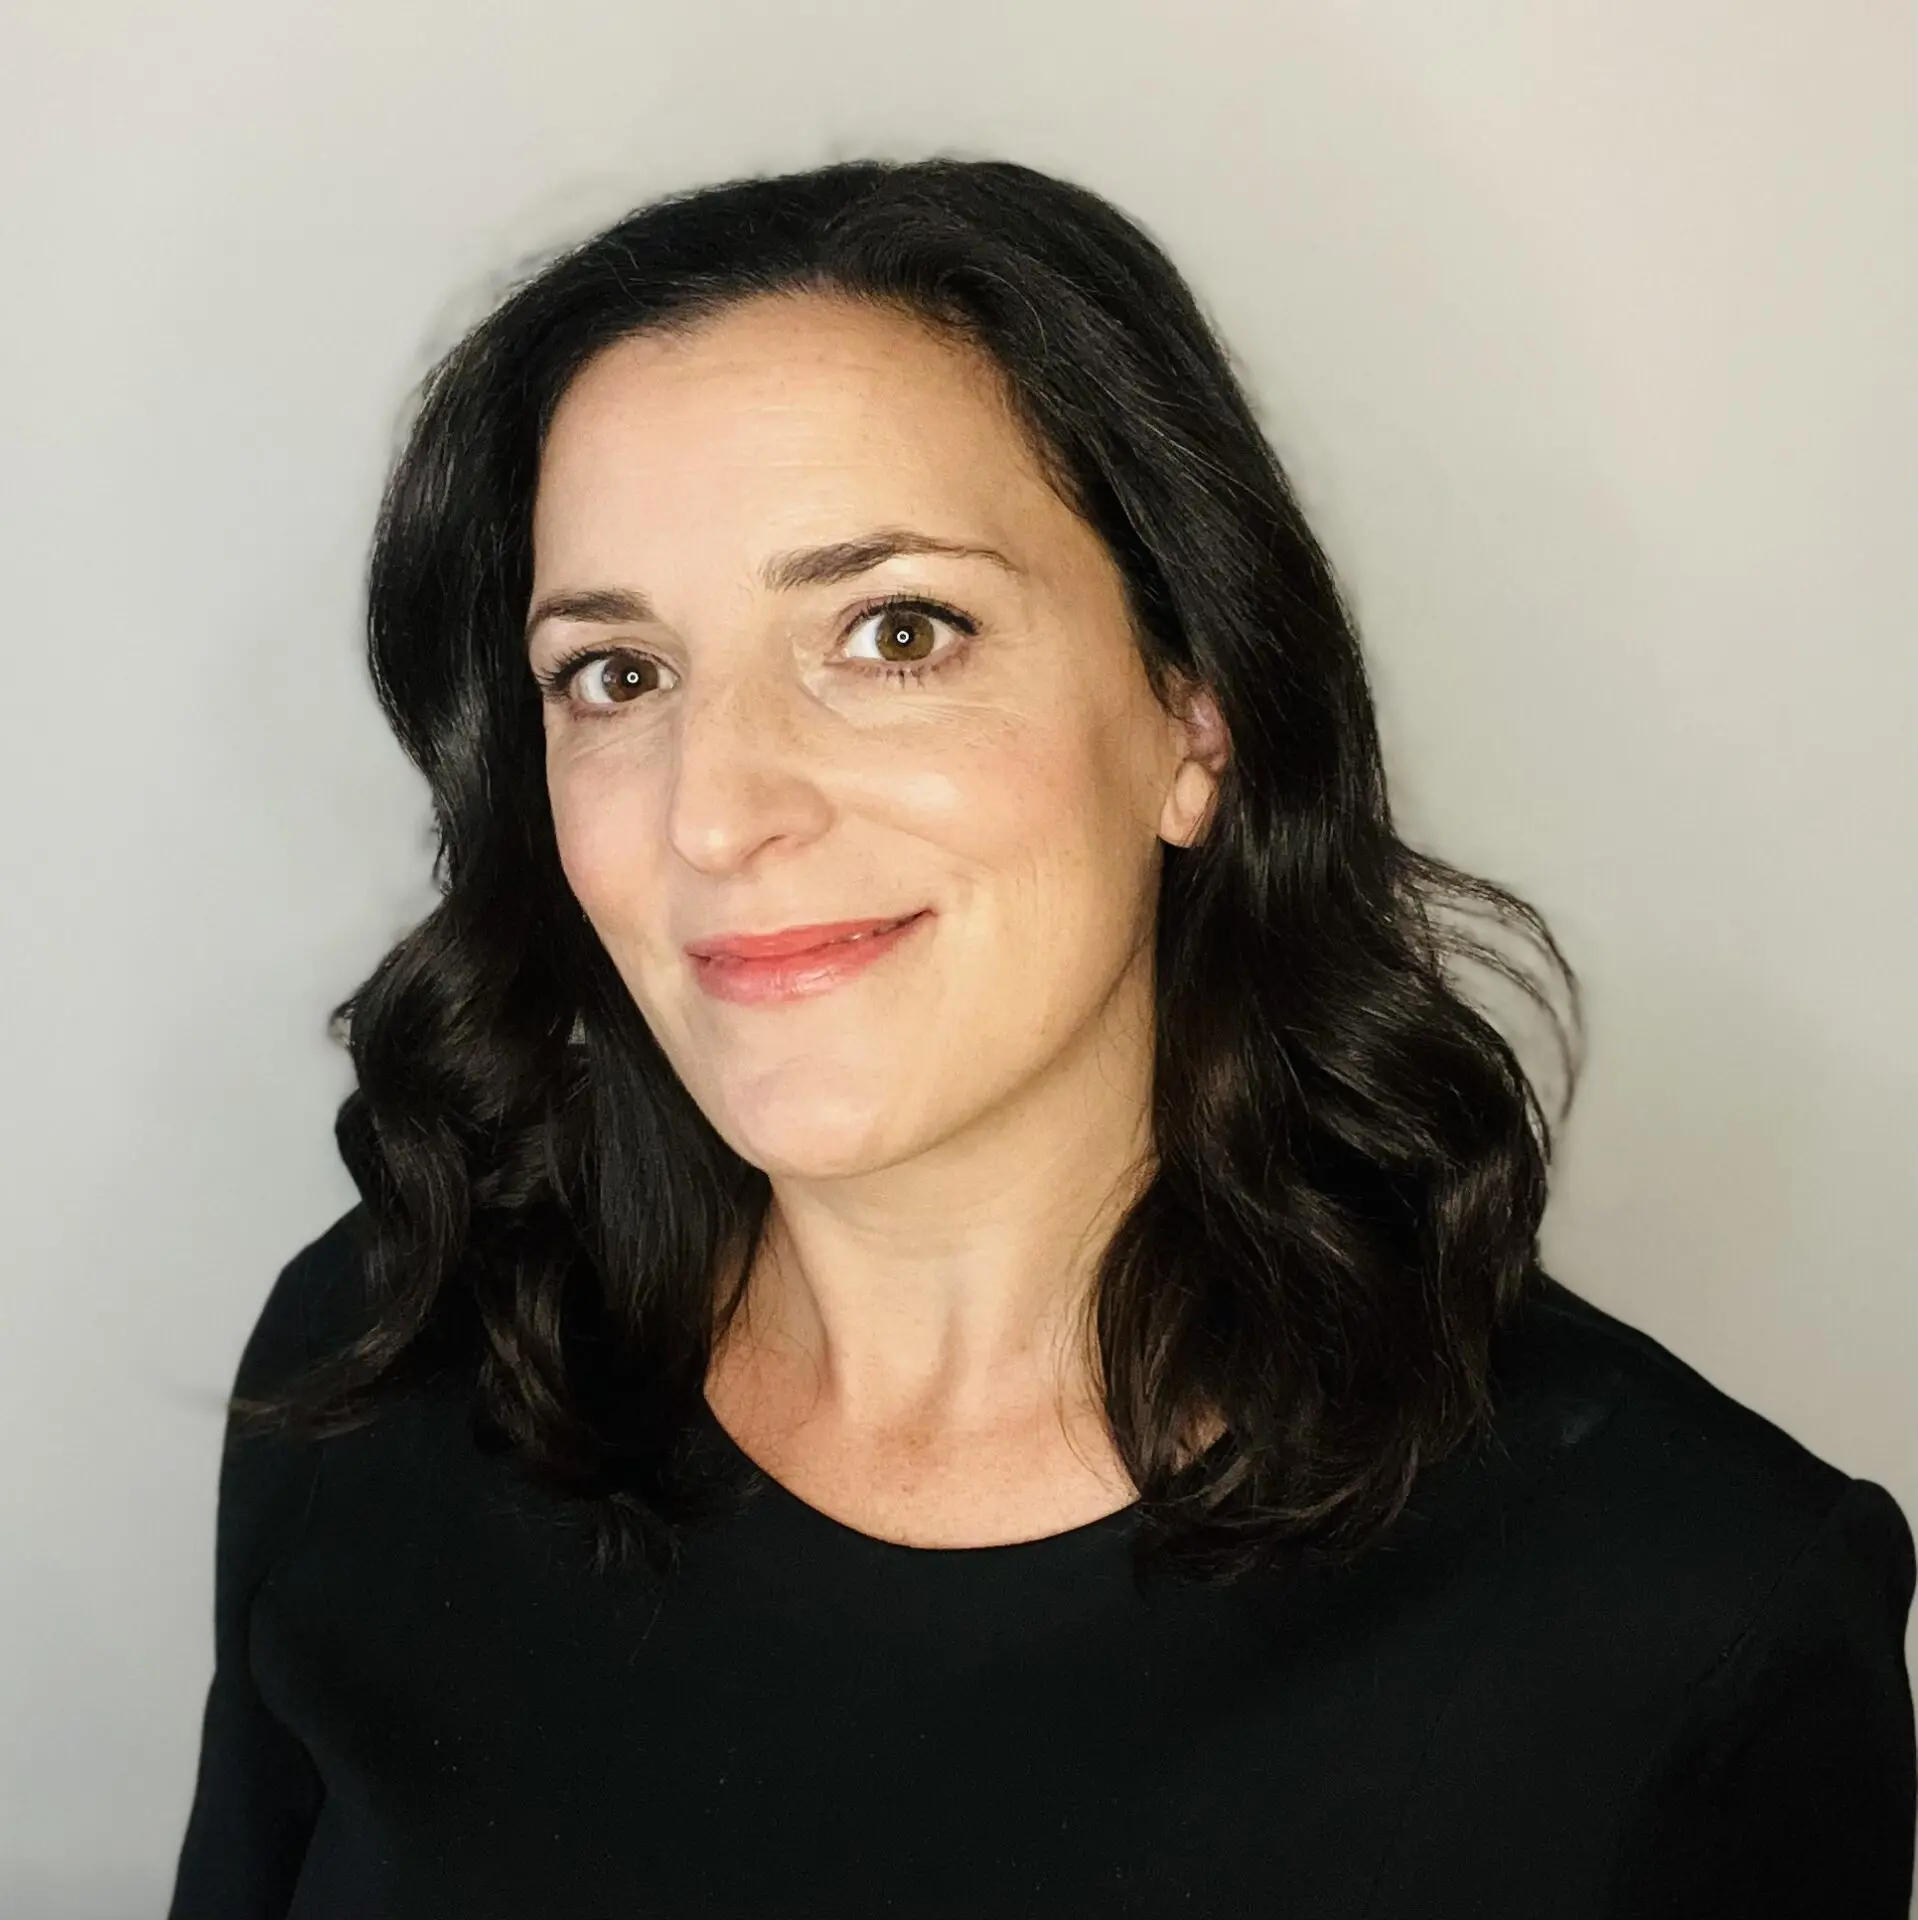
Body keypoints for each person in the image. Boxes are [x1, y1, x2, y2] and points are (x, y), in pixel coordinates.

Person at [167, 156, 1915, 1919]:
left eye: (893, 633)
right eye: (615, 675)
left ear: (1192, 720)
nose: (713, 812)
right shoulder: (387, 1365)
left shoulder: (1679, 1618)